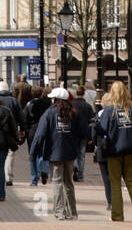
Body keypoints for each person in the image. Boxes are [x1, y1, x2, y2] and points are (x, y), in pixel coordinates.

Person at [29, 87, 88, 220]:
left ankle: (59, 211)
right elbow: (84, 132)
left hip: (54, 153)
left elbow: (40, 135)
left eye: (52, 98)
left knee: (57, 182)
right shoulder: (74, 112)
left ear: (55, 99)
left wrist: (33, 153)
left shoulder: (49, 114)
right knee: (69, 183)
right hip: (70, 153)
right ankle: (72, 212)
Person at [96, 81, 132, 222]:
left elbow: (102, 129)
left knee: (115, 183)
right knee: (131, 180)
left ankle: (117, 215)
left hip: (114, 150)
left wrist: (95, 125)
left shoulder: (109, 110)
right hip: (131, 150)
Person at [0, 81, 26, 186]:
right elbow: (21, 116)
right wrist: (23, 129)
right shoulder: (13, 101)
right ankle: (8, 177)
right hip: (11, 131)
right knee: (10, 154)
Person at [25, 86, 52, 186]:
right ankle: (43, 170)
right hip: (44, 130)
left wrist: (25, 130)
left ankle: (34, 179)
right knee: (42, 152)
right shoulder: (48, 104)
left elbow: (25, 118)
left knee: (32, 154)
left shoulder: (29, 104)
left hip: (32, 130)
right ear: (41, 94)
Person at [71, 85, 95, 183]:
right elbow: (91, 121)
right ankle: (80, 174)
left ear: (76, 93)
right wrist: (90, 136)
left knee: (73, 153)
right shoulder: (88, 106)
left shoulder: (71, 105)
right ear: (84, 94)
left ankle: (75, 166)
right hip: (84, 133)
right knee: (82, 154)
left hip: (73, 133)